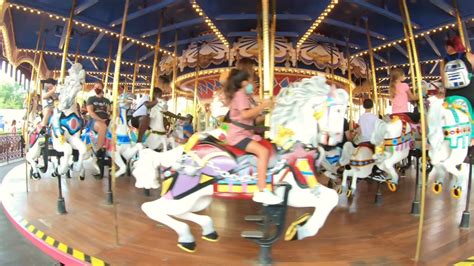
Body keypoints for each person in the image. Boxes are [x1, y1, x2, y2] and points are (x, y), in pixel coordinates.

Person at [224, 69, 281, 205]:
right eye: (250, 82)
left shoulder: (245, 96)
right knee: (263, 152)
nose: (252, 85)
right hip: (238, 136)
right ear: (244, 83)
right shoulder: (240, 95)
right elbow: (245, 115)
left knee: (268, 147)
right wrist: (263, 105)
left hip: (246, 134)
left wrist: (269, 113)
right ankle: (261, 191)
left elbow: (253, 120)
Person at [443, 35, 474, 146]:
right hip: (468, 93)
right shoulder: (469, 56)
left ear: (449, 47)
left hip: (450, 95)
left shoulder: (444, 61)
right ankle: (473, 137)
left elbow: (444, 81)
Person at [86, 82, 111, 158]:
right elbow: (90, 112)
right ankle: (98, 149)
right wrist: (101, 119)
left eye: (99, 87)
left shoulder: (107, 101)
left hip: (105, 119)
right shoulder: (91, 99)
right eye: (95, 87)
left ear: (102, 88)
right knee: (103, 126)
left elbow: (109, 111)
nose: (96, 88)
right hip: (94, 121)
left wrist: (109, 117)